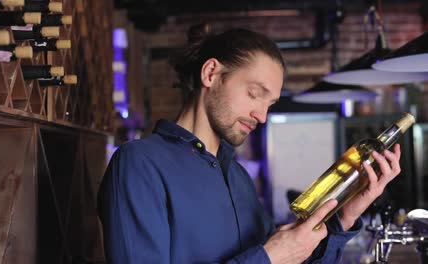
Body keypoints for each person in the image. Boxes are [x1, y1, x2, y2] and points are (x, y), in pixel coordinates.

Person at [97, 24, 402, 263]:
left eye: (270, 104)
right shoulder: (139, 164)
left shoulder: (238, 177)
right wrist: (270, 257)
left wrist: (346, 216)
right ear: (211, 73)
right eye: (255, 93)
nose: (262, 116)